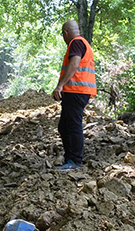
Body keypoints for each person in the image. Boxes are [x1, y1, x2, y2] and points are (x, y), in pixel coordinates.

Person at [52, 20, 97, 171]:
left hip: (75, 91)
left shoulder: (76, 43)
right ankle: (70, 158)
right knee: (64, 126)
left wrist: (60, 85)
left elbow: (74, 64)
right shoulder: (83, 43)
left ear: (65, 33)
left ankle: (75, 161)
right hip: (78, 92)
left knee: (72, 125)